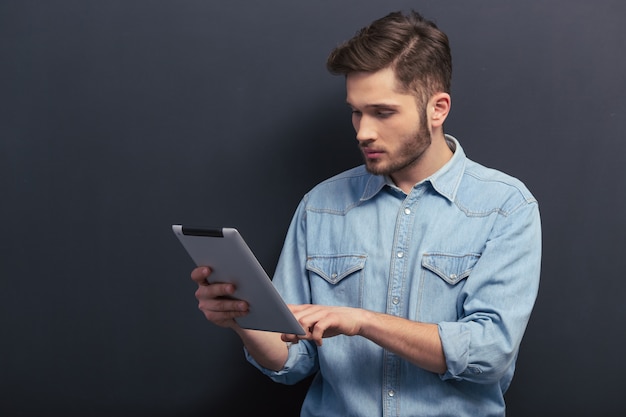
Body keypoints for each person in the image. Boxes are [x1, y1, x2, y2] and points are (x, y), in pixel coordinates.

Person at [192, 10, 541, 417]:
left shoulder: (504, 207)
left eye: (382, 112)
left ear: (437, 109)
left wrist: (363, 321)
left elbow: (489, 352)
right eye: (356, 111)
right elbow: (291, 361)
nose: (362, 132)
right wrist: (243, 319)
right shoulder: (320, 206)